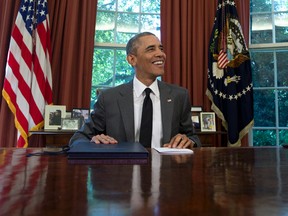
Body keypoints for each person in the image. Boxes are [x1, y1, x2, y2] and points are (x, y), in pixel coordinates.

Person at [69, 32, 201, 148]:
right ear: (132, 59)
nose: (160, 54)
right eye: (151, 49)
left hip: (166, 172)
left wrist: (189, 141)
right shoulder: (109, 98)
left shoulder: (179, 95)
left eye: (161, 48)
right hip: (121, 173)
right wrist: (94, 140)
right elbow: (78, 139)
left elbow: (193, 138)